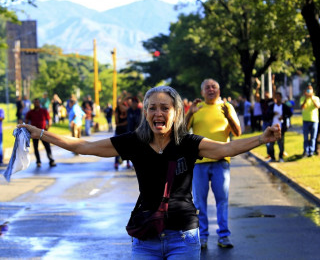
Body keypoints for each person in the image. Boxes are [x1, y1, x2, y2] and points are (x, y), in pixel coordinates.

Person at [18, 85, 281, 260]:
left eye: (165, 107)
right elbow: (84, 146)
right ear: (145, 112)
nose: (158, 112)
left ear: (176, 112)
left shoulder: (188, 143)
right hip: (146, 239)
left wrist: (262, 139)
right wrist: (40, 133)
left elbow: (229, 147)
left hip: (184, 237)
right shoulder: (134, 141)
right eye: (152, 107)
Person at [185, 79, 242, 249]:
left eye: (214, 87)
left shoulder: (227, 107)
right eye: (207, 87)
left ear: (219, 90)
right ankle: (202, 237)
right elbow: (181, 132)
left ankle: (223, 236)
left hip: (221, 162)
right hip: (199, 162)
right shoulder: (197, 107)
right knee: (199, 203)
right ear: (202, 92)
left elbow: (237, 132)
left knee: (222, 200)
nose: (211, 89)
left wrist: (228, 116)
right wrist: (190, 113)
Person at [25, 98, 56, 167]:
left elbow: (49, 119)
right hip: (34, 132)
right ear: (33, 104)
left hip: (43, 131)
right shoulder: (30, 112)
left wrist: (48, 127)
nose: (36, 104)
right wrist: (27, 129)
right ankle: (38, 161)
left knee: (47, 146)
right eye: (35, 103)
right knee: (35, 147)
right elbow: (26, 121)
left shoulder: (44, 111)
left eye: (37, 102)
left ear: (39, 103)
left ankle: (51, 160)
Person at [266, 92, 293, 162]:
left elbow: (290, 114)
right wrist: (273, 113)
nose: (277, 98)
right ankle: (272, 157)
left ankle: (281, 157)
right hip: (272, 127)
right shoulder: (272, 106)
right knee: (271, 144)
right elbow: (267, 114)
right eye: (276, 97)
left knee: (281, 143)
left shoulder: (284, 106)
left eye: (279, 97)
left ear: (280, 97)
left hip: (281, 128)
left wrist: (283, 117)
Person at [255, 76, 276, 159]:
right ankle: (269, 154)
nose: (266, 95)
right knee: (266, 138)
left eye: (267, 93)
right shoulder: (262, 101)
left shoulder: (271, 101)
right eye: (265, 94)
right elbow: (256, 95)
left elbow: (274, 93)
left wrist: (273, 83)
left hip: (271, 121)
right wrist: (258, 86)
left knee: (272, 140)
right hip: (265, 122)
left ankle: (272, 154)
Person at [300, 84, 320, 157]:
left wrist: (311, 98)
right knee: (305, 137)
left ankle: (311, 152)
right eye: (307, 89)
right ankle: (306, 151)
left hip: (314, 120)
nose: (308, 91)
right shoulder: (303, 98)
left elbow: (317, 106)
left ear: (312, 91)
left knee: (313, 137)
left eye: (310, 89)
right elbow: (302, 106)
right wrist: (306, 98)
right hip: (305, 120)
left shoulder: (316, 98)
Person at [114, 99, 130, 170]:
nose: (122, 108)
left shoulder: (128, 111)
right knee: (117, 148)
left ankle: (128, 162)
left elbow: (127, 122)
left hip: (126, 131)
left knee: (127, 148)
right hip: (118, 131)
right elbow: (116, 122)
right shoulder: (117, 111)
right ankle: (116, 162)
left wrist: (120, 124)